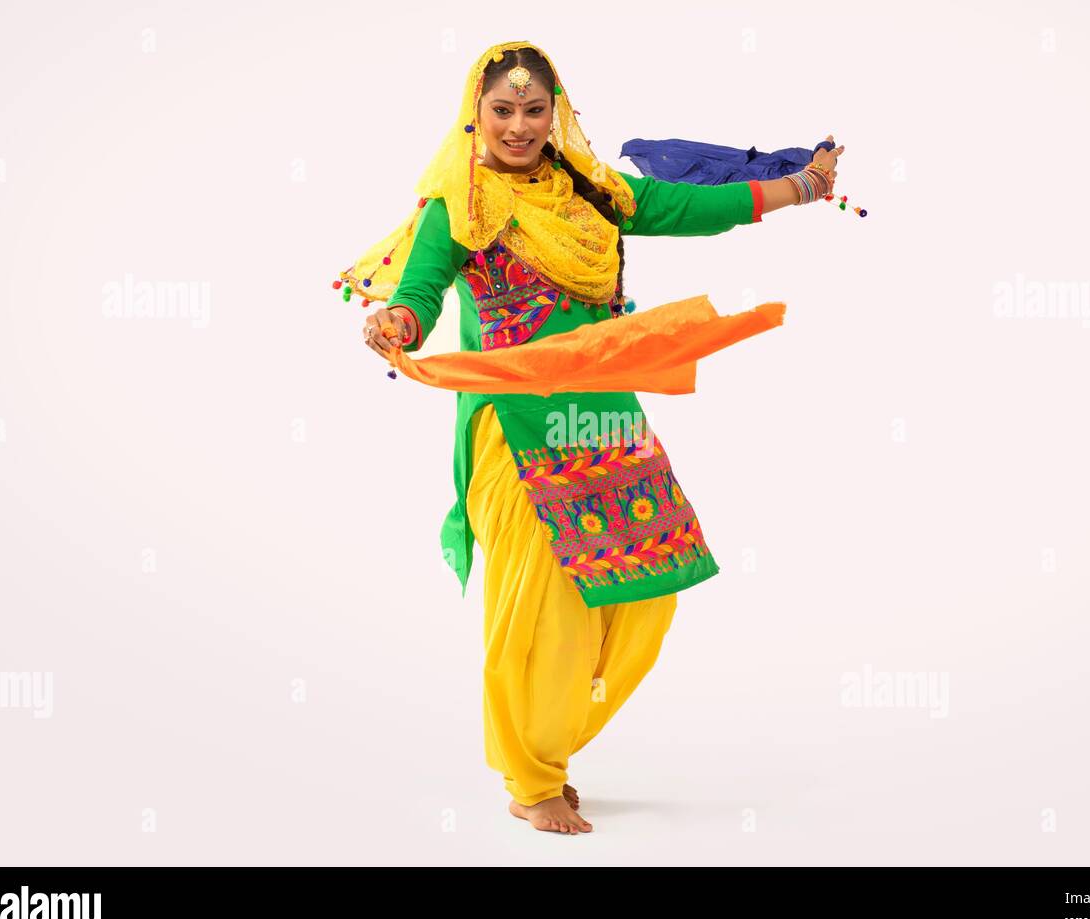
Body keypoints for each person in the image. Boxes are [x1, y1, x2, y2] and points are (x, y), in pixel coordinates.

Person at [339, 40, 842, 834]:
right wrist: (398, 320)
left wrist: (801, 187)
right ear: (476, 114)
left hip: (604, 418)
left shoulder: (593, 193)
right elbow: (421, 289)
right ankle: (531, 777)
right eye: (502, 111)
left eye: (533, 110)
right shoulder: (459, 205)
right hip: (518, 427)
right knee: (543, 608)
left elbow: (693, 209)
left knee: (647, 590)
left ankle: (548, 746)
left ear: (555, 112)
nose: (518, 126)